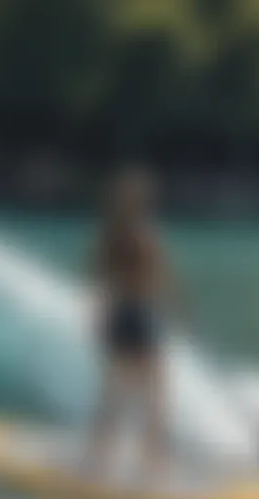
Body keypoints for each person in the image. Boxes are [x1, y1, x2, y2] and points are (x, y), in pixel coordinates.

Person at [85, 168, 176, 483]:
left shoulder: (108, 236)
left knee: (114, 394)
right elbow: (159, 280)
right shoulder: (145, 234)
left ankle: (99, 460)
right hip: (140, 315)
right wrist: (174, 315)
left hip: (119, 315)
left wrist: (97, 320)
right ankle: (152, 467)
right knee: (154, 396)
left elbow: (96, 280)